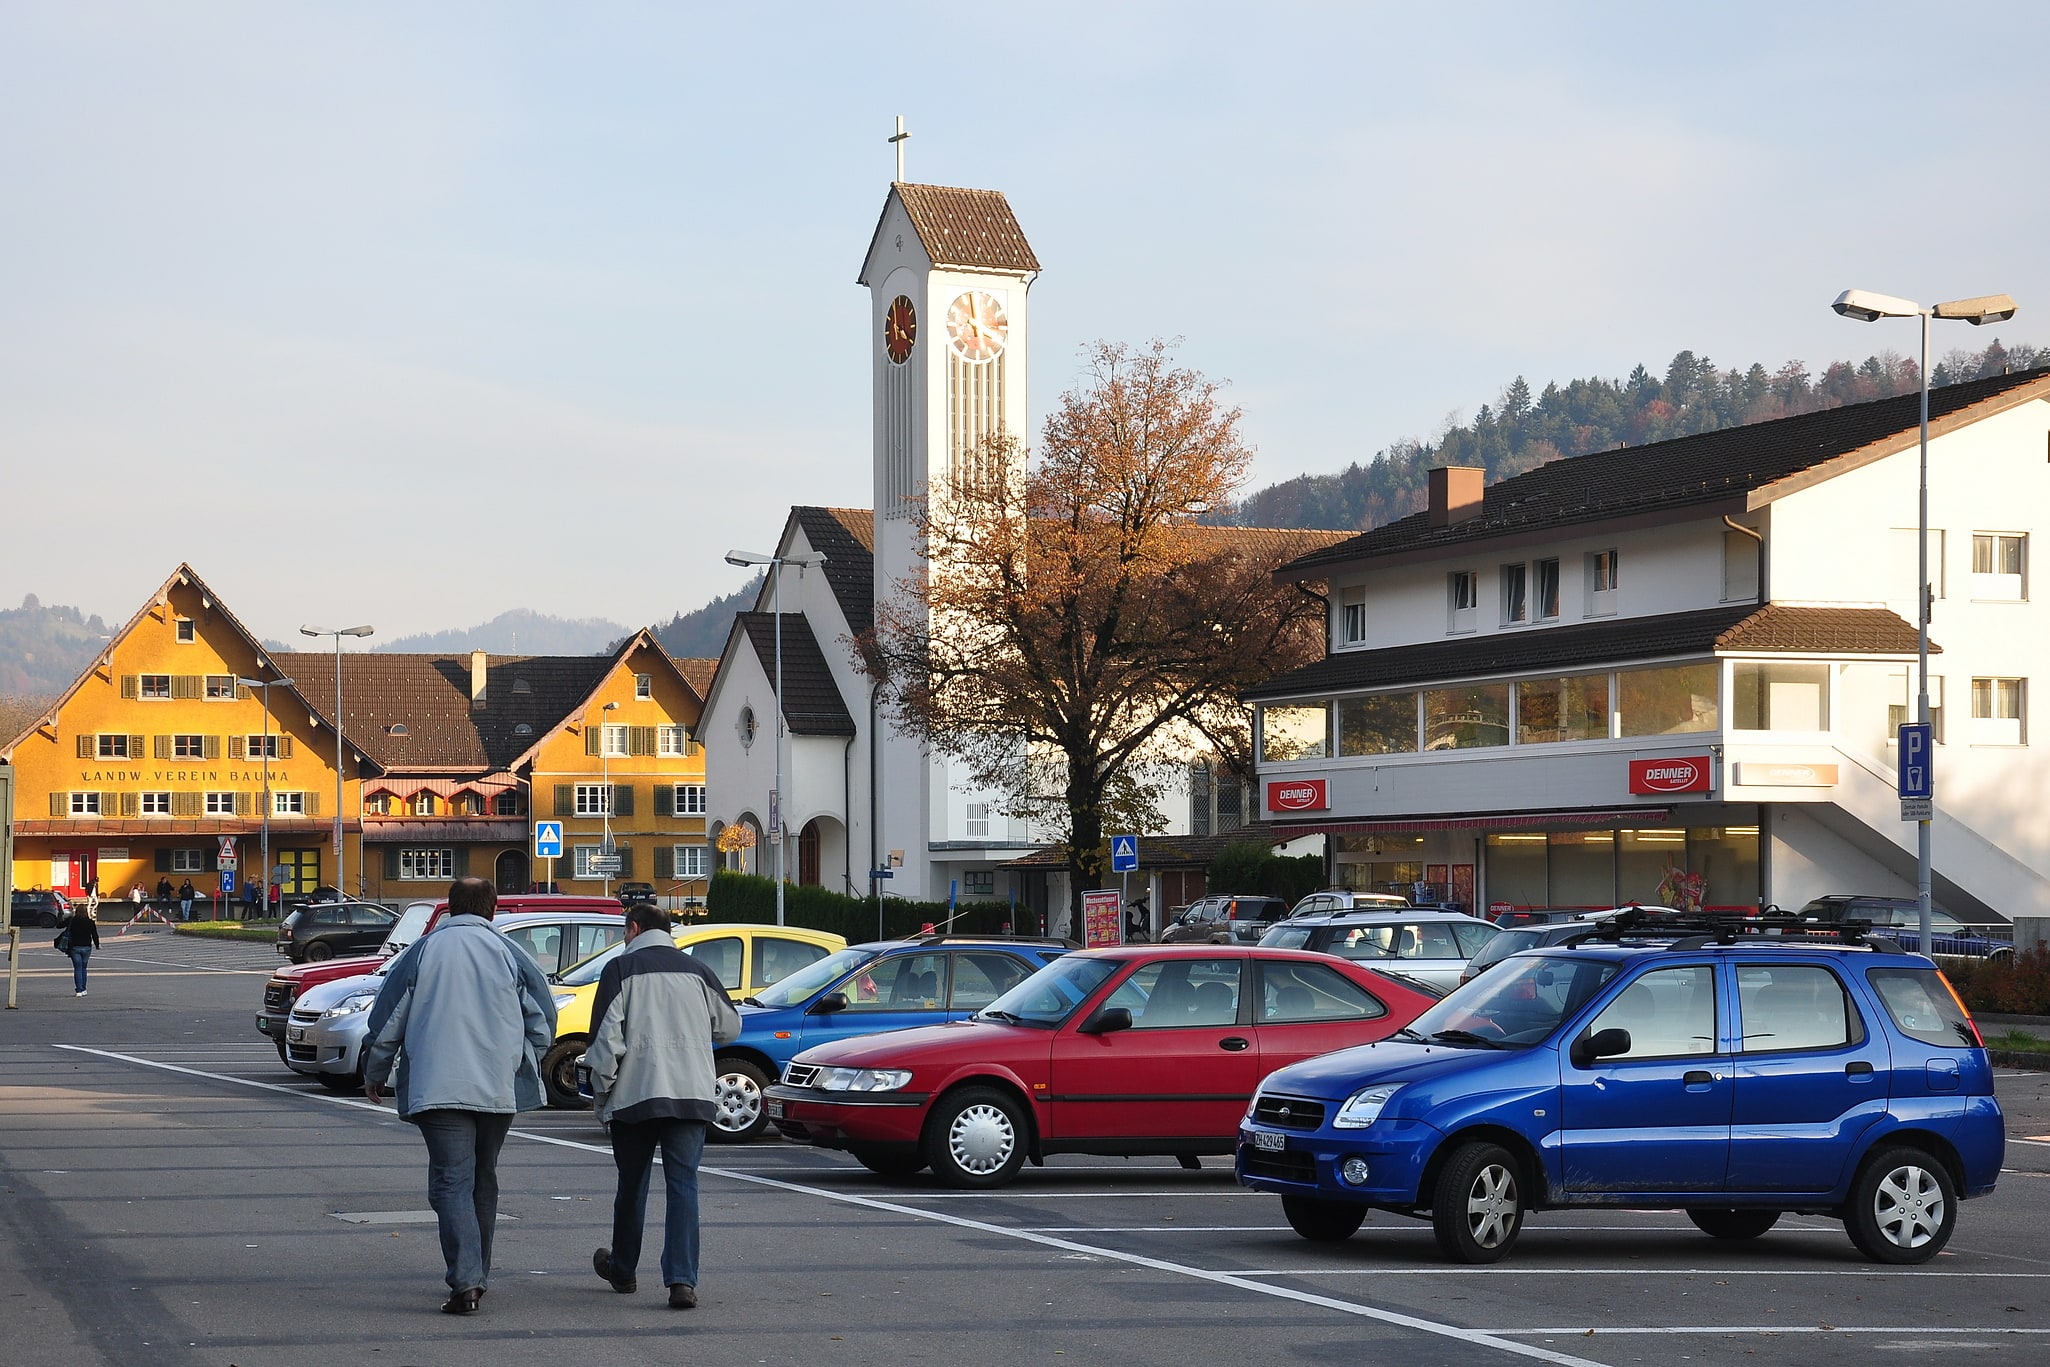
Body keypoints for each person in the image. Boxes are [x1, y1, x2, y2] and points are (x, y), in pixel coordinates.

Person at [361, 877, 555, 1315]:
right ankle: (477, 1274)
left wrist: (375, 1073)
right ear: (492, 908)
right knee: (483, 1177)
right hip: (496, 1085)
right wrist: (523, 1058)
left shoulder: (423, 950)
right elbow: (542, 1017)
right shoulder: (511, 952)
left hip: (438, 1085)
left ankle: (466, 1281)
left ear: (450, 907)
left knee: (451, 1181)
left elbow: (388, 1018)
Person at [586, 902, 740, 1310]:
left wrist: (602, 1095)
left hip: (636, 1095)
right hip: (691, 1094)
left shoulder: (620, 970)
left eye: (624, 931)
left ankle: (623, 1269)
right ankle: (681, 1281)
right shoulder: (698, 971)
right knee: (683, 1186)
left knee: (632, 1186)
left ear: (634, 928)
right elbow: (730, 1025)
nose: (623, 938)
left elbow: (604, 1044)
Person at [58, 901, 100, 996]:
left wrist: (65, 918)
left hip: (74, 947)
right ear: (86, 911)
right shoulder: (89, 922)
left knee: (77, 968)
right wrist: (97, 945)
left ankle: (79, 990)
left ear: (76, 911)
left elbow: (59, 925)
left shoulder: (72, 920)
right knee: (84, 968)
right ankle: (84, 989)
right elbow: (94, 935)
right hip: (86, 947)